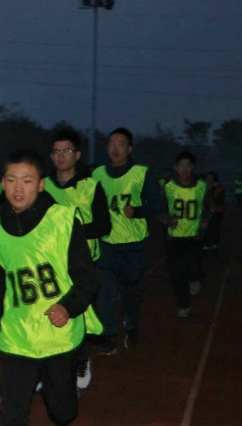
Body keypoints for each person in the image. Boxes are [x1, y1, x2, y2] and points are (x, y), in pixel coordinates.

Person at [0, 149, 100, 426]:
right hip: (16, 335)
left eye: (27, 180)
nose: (18, 188)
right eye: (11, 180)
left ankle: (67, 393)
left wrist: (68, 307)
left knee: (62, 412)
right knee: (13, 413)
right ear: (2, 183)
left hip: (58, 335)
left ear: (41, 184)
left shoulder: (63, 220)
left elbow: (87, 277)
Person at [44, 129, 110, 389]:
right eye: (56, 151)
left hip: (82, 264)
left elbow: (103, 225)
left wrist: (73, 232)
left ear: (78, 155)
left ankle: (82, 360)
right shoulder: (42, 185)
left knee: (79, 313)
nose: (61, 156)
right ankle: (44, 368)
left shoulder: (91, 186)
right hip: (47, 261)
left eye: (67, 151)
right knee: (46, 313)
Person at [91, 127, 163, 355]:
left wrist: (138, 211)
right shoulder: (97, 175)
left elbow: (158, 203)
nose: (115, 148)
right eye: (111, 144)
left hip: (133, 245)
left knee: (131, 291)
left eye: (121, 144)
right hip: (106, 244)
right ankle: (109, 336)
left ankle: (131, 325)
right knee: (105, 290)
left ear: (129, 149)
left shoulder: (141, 173)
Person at [163, 151, 209, 318]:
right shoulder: (168, 187)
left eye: (188, 166)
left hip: (194, 237)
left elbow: (208, 207)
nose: (185, 169)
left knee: (193, 267)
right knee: (176, 273)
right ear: (176, 168)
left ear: (193, 167)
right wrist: (167, 219)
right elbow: (159, 208)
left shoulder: (201, 187)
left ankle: (195, 278)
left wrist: (205, 219)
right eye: (181, 166)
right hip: (174, 238)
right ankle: (184, 304)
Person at [202, 171, 225, 256]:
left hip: (216, 213)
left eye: (210, 178)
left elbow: (218, 200)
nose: (209, 179)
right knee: (205, 230)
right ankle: (206, 247)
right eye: (207, 178)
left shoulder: (218, 188)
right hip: (205, 213)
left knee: (215, 230)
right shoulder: (203, 187)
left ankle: (215, 247)